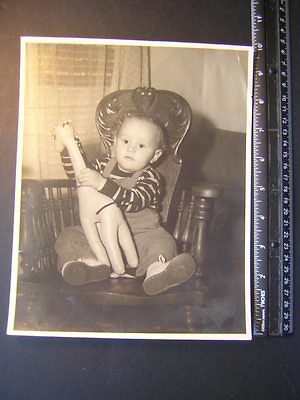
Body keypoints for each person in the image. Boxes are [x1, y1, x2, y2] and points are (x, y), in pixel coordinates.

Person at [55, 113, 196, 295]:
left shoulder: (151, 177)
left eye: (141, 145)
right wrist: (68, 145)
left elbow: (134, 200)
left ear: (155, 155)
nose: (131, 149)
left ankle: (158, 271)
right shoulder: (103, 164)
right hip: (98, 236)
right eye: (126, 141)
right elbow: (79, 173)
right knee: (68, 236)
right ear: (115, 142)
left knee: (164, 242)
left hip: (141, 235)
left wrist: (101, 183)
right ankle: (87, 265)